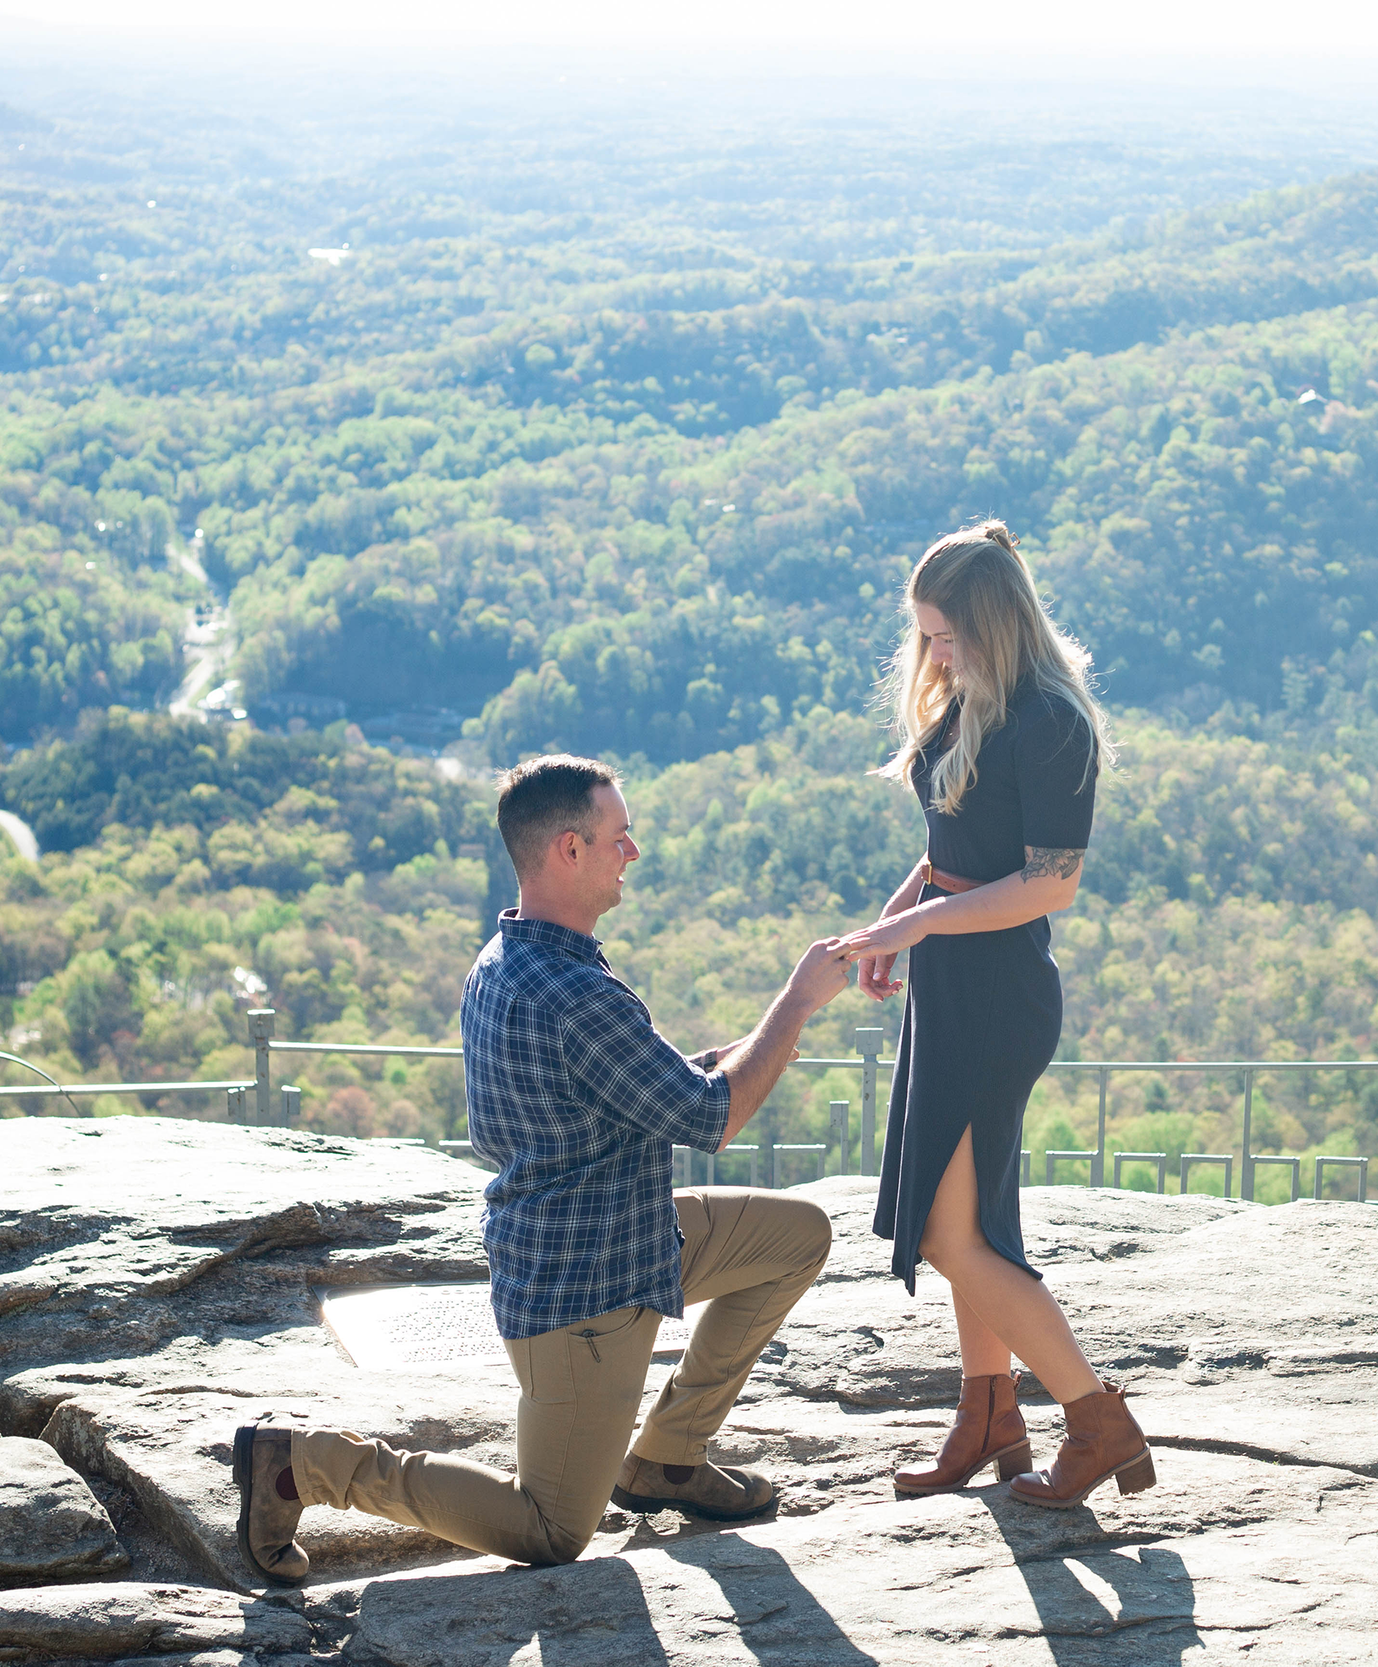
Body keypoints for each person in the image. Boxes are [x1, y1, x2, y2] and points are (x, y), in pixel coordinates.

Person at [232, 755, 852, 1582]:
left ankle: (668, 1456)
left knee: (797, 1235)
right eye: (618, 838)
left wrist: (769, 1027)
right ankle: (301, 1466)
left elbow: (659, 1083)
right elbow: (711, 1114)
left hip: (627, 1233)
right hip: (585, 1293)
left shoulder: (507, 958)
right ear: (568, 848)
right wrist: (798, 1000)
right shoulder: (574, 992)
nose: (631, 852)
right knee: (553, 1529)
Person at [833, 519, 1152, 1510]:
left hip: (997, 995)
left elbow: (1048, 884)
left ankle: (1096, 1417)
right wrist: (895, 923)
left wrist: (923, 924)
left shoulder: (1052, 720)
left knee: (950, 1235)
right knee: (970, 1222)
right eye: (925, 634)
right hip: (948, 985)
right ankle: (989, 1419)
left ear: (995, 621)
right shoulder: (975, 698)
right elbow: (947, 840)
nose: (933, 652)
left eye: (946, 634)